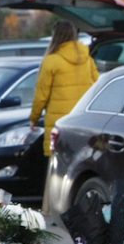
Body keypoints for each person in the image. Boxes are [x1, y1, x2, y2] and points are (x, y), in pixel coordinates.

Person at [30, 20, 99, 157]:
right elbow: (96, 86)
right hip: (82, 121)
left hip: (59, 123)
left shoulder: (51, 61)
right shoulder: (87, 59)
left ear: (55, 36)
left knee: (57, 167)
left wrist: (34, 118)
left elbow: (41, 95)